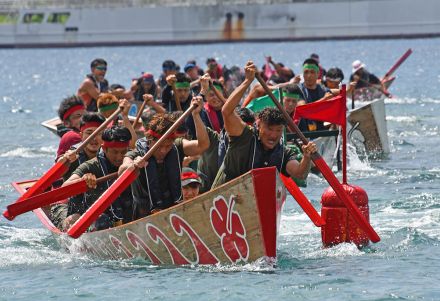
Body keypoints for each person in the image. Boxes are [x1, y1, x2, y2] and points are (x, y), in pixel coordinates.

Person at [212, 61, 317, 188]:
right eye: (269, 129)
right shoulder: (244, 135)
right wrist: (247, 81)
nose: (273, 135)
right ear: (259, 125)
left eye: (278, 130)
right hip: (225, 198)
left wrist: (306, 157)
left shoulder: (283, 152)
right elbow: (226, 111)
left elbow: (300, 174)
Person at [120, 96, 209, 218]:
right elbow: (122, 169)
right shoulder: (140, 152)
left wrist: (196, 115)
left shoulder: (177, 146)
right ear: (150, 141)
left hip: (173, 209)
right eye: (159, 146)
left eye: (167, 146)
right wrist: (133, 165)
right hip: (144, 214)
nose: (163, 151)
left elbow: (202, 145)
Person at [61, 126, 134, 231]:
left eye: (123, 152)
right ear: (104, 148)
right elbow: (64, 187)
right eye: (114, 152)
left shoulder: (133, 159)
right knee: (102, 220)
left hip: (127, 214)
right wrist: (82, 181)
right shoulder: (90, 166)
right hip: (97, 219)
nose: (119, 157)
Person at [50, 112, 106, 229]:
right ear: (81, 135)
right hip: (68, 205)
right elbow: (56, 173)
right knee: (73, 220)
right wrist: (64, 161)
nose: (94, 139)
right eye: (89, 133)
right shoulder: (72, 154)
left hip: (98, 205)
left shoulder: (109, 154)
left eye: (99, 133)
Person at [298, 58, 335, 131]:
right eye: (306, 72)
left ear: (318, 74)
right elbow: (304, 109)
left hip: (323, 134)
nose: (309, 75)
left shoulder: (325, 91)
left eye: (312, 72)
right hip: (304, 135)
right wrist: (323, 100)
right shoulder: (298, 90)